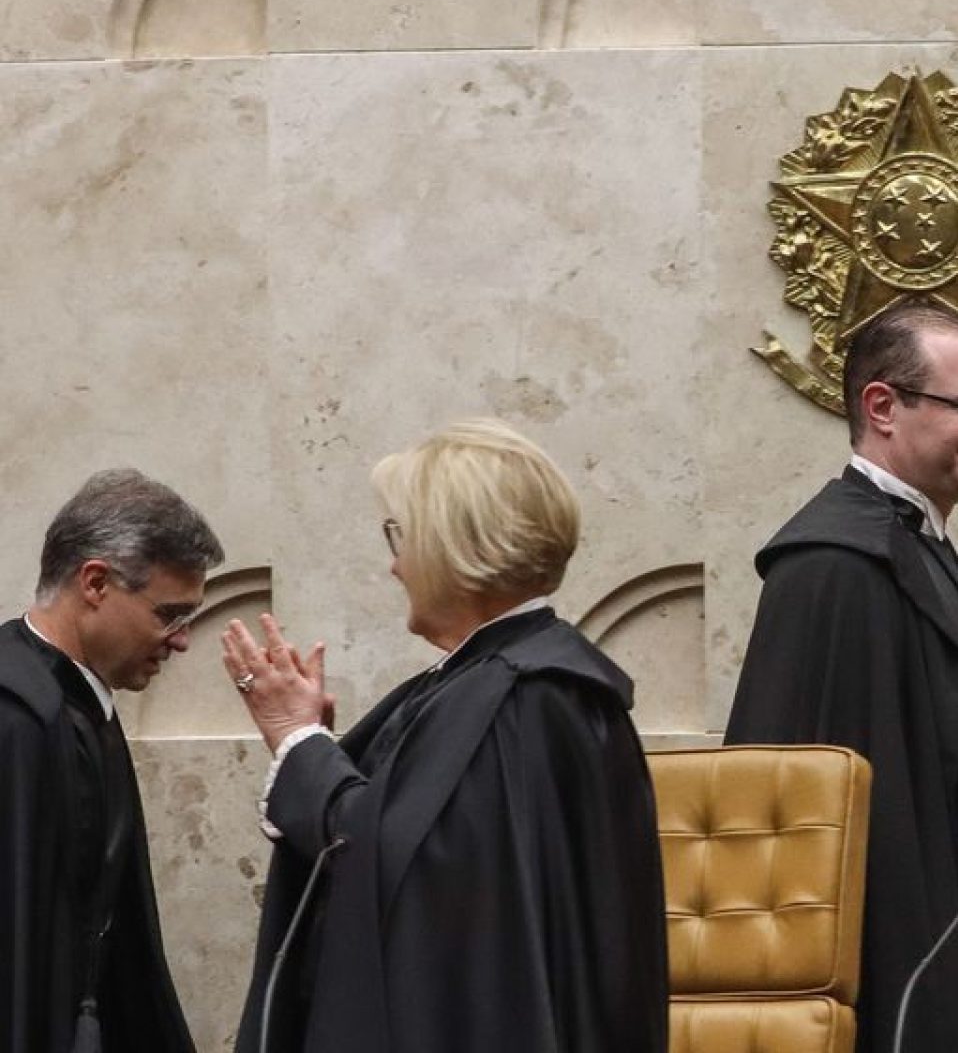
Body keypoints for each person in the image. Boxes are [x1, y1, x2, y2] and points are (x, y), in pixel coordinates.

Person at [228, 418, 668, 1053]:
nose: (394, 565)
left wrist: (297, 741)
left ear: (454, 546)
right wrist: (319, 750)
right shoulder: (511, 681)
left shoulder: (513, 696)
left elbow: (408, 875)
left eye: (400, 536)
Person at [726, 302, 958, 1053]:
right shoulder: (834, 566)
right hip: (892, 977)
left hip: (949, 942)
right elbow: (819, 826)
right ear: (882, 406)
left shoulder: (914, 542)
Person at [0, 469, 221, 1053]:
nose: (181, 640)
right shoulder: (20, 717)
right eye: (169, 614)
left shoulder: (73, 702)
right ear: (95, 583)